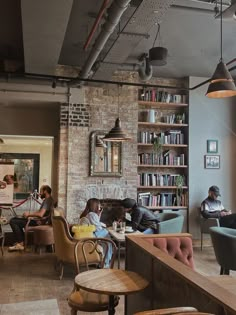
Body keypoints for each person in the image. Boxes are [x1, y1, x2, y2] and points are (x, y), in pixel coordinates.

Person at [8, 185, 54, 251]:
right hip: (38, 220)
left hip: (38, 222)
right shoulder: (49, 200)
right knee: (15, 220)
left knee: (13, 221)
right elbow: (41, 213)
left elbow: (41, 214)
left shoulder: (47, 201)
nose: (39, 193)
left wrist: (29, 214)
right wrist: (31, 216)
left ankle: (20, 243)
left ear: (45, 191)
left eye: (40, 191)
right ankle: (20, 242)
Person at [80, 198, 112, 267]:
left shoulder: (90, 214)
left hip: (88, 235)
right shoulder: (92, 215)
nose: (100, 206)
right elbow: (98, 228)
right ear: (96, 205)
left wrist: (99, 214)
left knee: (107, 236)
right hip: (90, 237)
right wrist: (106, 228)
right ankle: (105, 263)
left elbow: (96, 223)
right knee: (108, 235)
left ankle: (104, 261)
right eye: (99, 204)